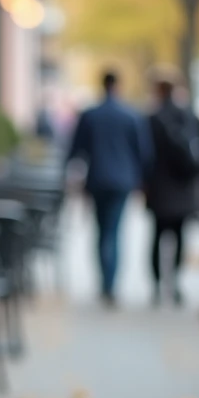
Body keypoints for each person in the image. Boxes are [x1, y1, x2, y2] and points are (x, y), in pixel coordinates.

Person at [65, 70, 152, 306]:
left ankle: (106, 282)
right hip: (123, 182)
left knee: (102, 231)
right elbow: (144, 153)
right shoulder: (131, 116)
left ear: (102, 85)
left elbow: (75, 150)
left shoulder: (91, 115)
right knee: (114, 231)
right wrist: (142, 180)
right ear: (118, 85)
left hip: (97, 180)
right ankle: (111, 284)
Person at [144, 73, 199, 306]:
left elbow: (144, 155)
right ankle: (175, 283)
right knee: (180, 237)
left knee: (157, 236)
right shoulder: (190, 116)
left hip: (160, 188)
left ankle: (156, 285)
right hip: (184, 188)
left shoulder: (153, 119)